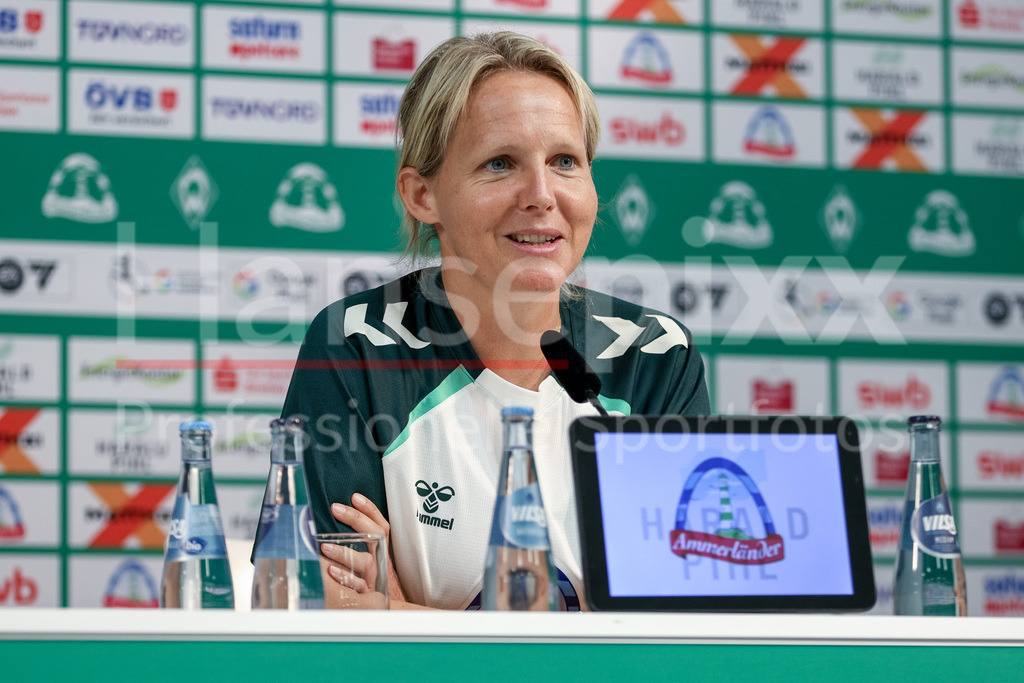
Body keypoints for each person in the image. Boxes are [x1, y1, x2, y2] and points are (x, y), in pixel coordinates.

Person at [277, 32, 710, 610]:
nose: (541, 194)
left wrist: (400, 613)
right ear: (422, 195)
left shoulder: (654, 355)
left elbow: (682, 616)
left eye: (565, 161)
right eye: (499, 163)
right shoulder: (357, 343)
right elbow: (306, 597)